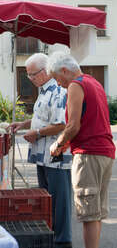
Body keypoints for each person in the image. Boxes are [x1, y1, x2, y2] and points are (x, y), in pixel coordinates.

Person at [47, 52, 116, 248]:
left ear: (64, 70)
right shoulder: (94, 82)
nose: (58, 84)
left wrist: (58, 144)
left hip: (88, 154)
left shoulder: (76, 85)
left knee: (88, 213)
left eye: (56, 78)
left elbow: (73, 125)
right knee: (96, 213)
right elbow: (90, 120)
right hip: (105, 152)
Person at [8, 53, 72, 248]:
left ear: (44, 72)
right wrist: (25, 124)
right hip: (42, 155)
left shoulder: (58, 91)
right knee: (46, 201)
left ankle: (63, 240)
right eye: (28, 75)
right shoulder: (44, 91)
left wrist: (36, 132)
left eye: (32, 75)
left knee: (59, 201)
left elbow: (62, 123)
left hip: (55, 155)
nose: (30, 79)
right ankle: (51, 236)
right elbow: (43, 118)